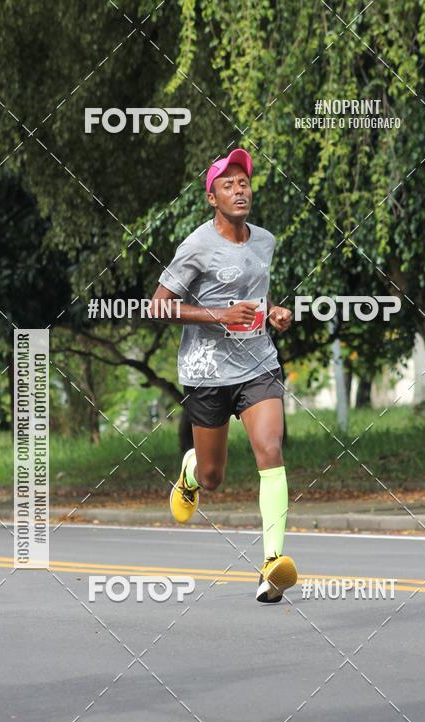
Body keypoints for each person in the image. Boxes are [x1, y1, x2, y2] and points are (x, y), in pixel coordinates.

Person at [150, 148, 297, 603]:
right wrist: (220, 315)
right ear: (211, 196)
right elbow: (159, 304)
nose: (240, 189)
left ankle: (273, 564)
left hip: (257, 364)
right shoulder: (196, 245)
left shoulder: (265, 241)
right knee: (214, 478)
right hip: (207, 372)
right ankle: (191, 471)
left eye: (245, 182)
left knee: (271, 448)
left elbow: (256, 292)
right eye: (229, 184)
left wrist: (271, 312)